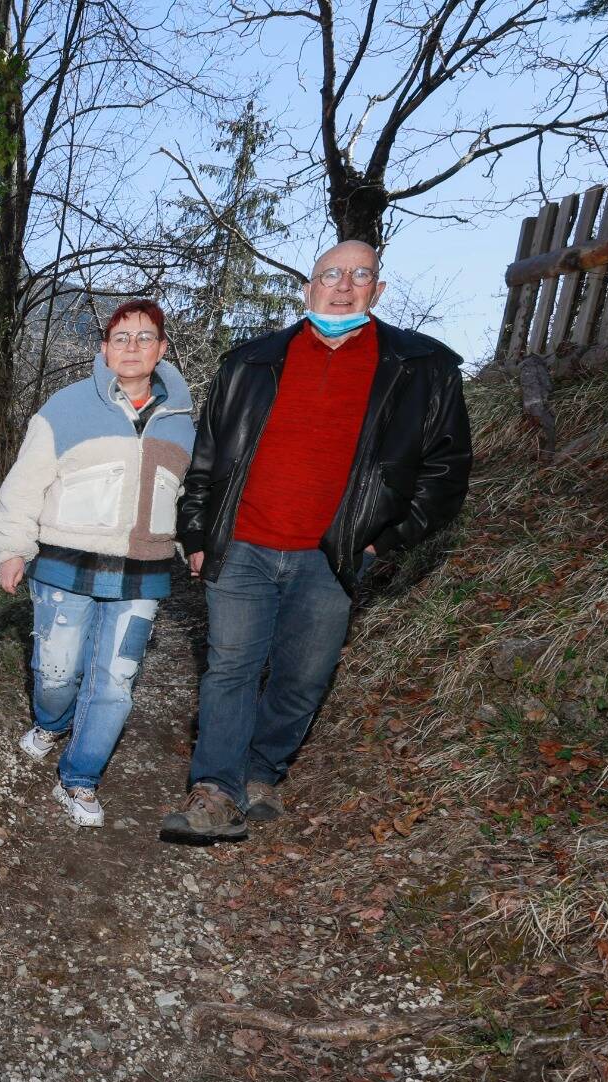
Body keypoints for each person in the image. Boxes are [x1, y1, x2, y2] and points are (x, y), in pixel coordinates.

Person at [158, 241, 471, 846]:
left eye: (361, 275)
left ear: (377, 291)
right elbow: (208, 457)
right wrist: (197, 532)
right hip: (244, 545)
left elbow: (445, 471)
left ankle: (259, 772)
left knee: (304, 676)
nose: (344, 285)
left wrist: (383, 541)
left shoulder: (421, 368)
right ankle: (215, 792)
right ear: (308, 288)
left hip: (333, 555)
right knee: (231, 669)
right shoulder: (251, 362)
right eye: (331, 274)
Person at [0, 299, 196, 827]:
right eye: (121, 338)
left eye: (145, 337)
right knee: (57, 671)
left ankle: (79, 779)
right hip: (64, 566)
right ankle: (50, 720)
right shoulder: (65, 407)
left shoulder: (183, 423)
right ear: (104, 348)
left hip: (142, 573)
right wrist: (11, 548)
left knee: (115, 682)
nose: (132, 347)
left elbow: (195, 496)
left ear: (162, 349)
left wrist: (197, 542)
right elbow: (24, 482)